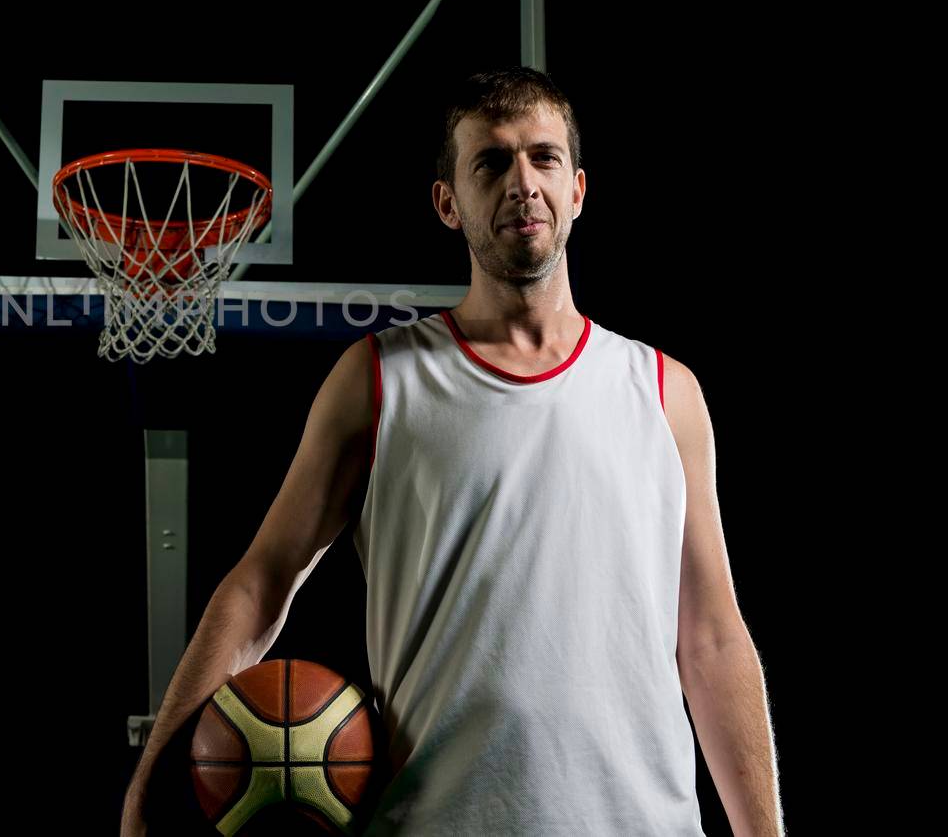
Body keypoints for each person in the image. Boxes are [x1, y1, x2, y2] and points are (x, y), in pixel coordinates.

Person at [120, 68, 783, 836]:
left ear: (578, 190)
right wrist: (151, 782)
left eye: (544, 158)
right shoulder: (379, 380)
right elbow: (262, 583)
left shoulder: (666, 393)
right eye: (491, 163)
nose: (522, 183)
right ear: (448, 202)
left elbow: (710, 636)